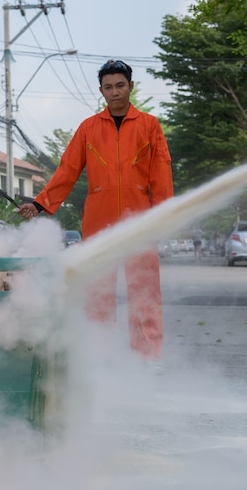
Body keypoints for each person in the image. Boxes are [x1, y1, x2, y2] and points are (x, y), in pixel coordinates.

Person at [19, 59, 174, 360]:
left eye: (120, 85)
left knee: (145, 293)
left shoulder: (150, 126)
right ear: (101, 91)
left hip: (139, 223)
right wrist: (40, 204)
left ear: (131, 86)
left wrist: (163, 216)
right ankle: (97, 358)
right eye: (108, 87)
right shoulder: (88, 128)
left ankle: (146, 357)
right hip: (98, 223)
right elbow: (67, 170)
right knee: (97, 293)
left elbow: (161, 174)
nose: (115, 92)